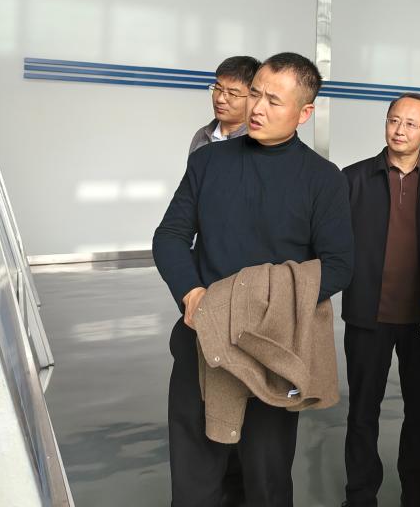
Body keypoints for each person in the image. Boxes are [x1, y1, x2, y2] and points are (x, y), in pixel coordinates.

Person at [153, 52, 354, 507]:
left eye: (274, 101)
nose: (257, 108)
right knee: (195, 481)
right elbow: (170, 236)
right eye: (256, 94)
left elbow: (339, 265)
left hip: (272, 349)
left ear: (304, 113)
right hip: (201, 337)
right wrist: (192, 293)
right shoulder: (209, 163)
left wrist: (256, 303)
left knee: (265, 482)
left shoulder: (323, 180)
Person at [340, 93, 420, 507]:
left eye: (410, 124)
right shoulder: (353, 179)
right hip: (367, 316)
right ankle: (359, 495)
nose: (400, 130)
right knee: (362, 411)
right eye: (393, 120)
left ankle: (416, 493)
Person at [189, 55, 259, 155]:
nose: (220, 99)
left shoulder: (258, 142)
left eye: (232, 93)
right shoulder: (201, 136)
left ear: (253, 97)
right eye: (218, 88)